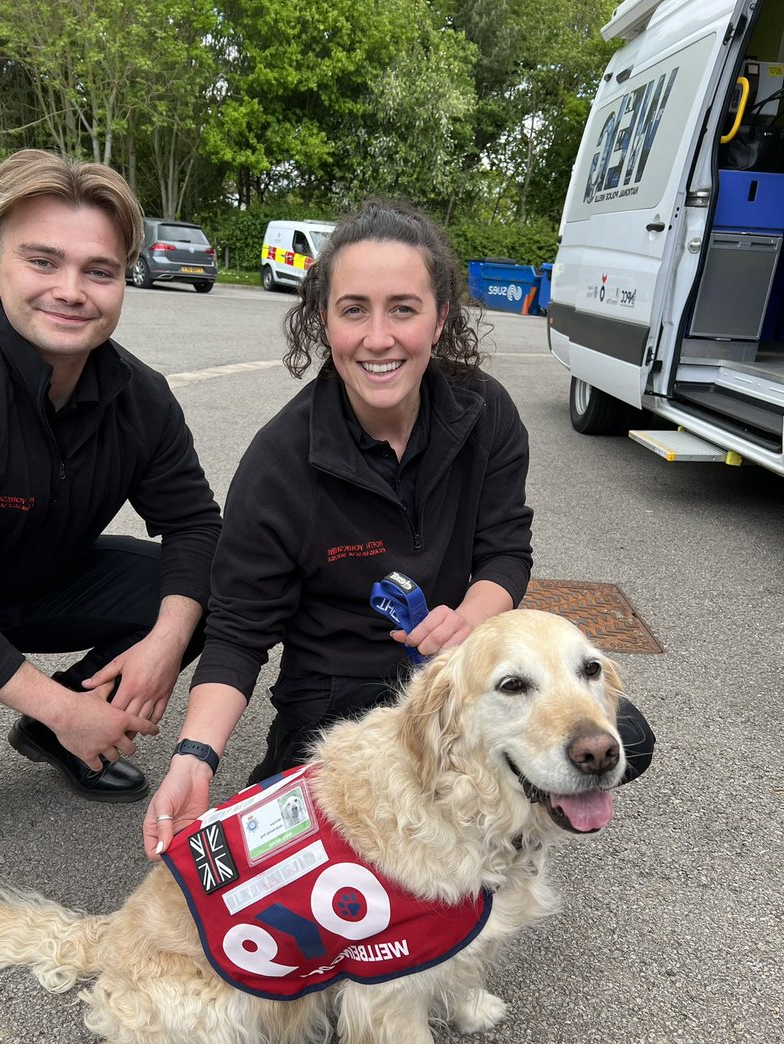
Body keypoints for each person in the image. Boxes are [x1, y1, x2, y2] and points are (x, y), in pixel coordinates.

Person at [141, 198, 653, 859]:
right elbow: (238, 631)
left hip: (458, 676)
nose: (378, 338)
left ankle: (491, 817)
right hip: (336, 691)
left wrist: (470, 617)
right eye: (354, 310)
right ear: (323, 321)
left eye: (403, 309)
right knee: (299, 854)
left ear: (440, 319)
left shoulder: (486, 412)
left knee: (626, 742)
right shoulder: (278, 461)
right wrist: (195, 755)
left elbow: (505, 548)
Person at [0, 149, 222, 869]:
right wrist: (68, 710)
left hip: (49, 580)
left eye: (99, 271)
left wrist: (165, 643)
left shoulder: (141, 397)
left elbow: (195, 525)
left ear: (123, 281)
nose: (71, 291)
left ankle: (52, 733)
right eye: (43, 262)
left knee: (208, 594)